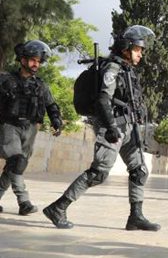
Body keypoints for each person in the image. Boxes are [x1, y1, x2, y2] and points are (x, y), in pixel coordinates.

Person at [43, 26, 160, 231]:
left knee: (139, 170)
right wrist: (111, 127)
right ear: (126, 49)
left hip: (128, 127)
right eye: (138, 49)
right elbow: (103, 100)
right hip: (112, 127)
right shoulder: (112, 69)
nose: (141, 53)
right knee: (99, 172)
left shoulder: (127, 69)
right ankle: (58, 207)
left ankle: (136, 216)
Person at [0, 40, 63, 215]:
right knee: (16, 161)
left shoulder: (41, 85)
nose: (37, 64)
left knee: (15, 167)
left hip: (30, 129)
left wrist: (56, 121)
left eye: (39, 61)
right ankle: (24, 202)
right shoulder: (6, 80)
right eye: (33, 60)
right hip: (9, 126)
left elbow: (52, 106)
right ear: (23, 60)